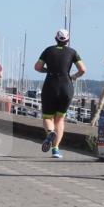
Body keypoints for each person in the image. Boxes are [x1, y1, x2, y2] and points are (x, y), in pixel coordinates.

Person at [34, 29, 86, 159]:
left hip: (51, 85)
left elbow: (37, 67)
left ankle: (51, 132)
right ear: (67, 40)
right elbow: (82, 69)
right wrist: (73, 77)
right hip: (66, 86)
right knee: (60, 119)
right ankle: (56, 149)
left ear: (55, 38)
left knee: (47, 117)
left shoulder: (48, 50)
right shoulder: (73, 52)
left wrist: (48, 70)